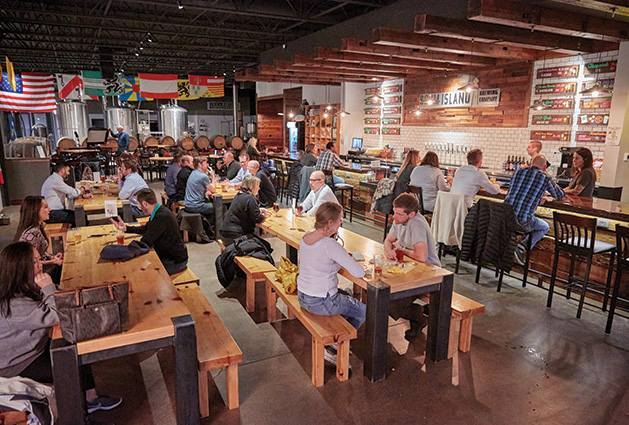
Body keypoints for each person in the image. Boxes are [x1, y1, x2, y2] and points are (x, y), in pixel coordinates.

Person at [0, 242, 122, 414]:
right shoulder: (12, 305)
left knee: (74, 347)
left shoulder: (25, 287)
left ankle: (91, 399)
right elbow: (56, 315)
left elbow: (58, 299)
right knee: (68, 366)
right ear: (20, 268)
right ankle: (77, 416)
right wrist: (48, 287)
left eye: (39, 260)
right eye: (35, 262)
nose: (40, 265)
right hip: (17, 363)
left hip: (34, 349)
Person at [297, 202, 366, 364]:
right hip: (322, 301)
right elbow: (358, 272)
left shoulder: (305, 237)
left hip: (303, 296)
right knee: (364, 310)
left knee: (347, 295)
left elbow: (322, 263)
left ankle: (336, 334)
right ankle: (335, 343)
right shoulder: (330, 244)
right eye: (339, 219)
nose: (341, 222)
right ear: (330, 223)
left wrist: (339, 259)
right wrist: (343, 258)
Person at [384, 193, 440, 340]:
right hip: (410, 269)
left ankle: (419, 316)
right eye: (394, 211)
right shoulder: (399, 220)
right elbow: (387, 240)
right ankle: (417, 314)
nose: (394, 217)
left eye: (398, 214)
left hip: (429, 273)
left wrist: (401, 250)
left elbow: (421, 257)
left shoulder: (416, 224)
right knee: (383, 294)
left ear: (412, 214)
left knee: (389, 302)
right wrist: (390, 251)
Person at [110, 189, 188, 275]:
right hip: (169, 256)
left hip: (174, 261)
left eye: (138, 203)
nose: (138, 207)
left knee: (138, 272)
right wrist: (126, 228)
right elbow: (146, 229)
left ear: (145, 204)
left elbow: (146, 240)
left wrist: (120, 251)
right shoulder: (159, 211)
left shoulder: (161, 217)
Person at [504, 155, 564, 264]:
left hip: (505, 216)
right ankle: (520, 248)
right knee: (544, 227)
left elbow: (516, 191)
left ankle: (508, 250)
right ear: (545, 167)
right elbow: (560, 195)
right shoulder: (545, 177)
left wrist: (538, 196)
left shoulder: (518, 171)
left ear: (530, 164)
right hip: (522, 221)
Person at [14, 196, 64, 284]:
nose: (50, 209)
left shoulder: (36, 228)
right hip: (35, 275)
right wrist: (53, 261)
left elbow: (40, 253)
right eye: (45, 207)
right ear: (35, 211)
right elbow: (31, 263)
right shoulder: (33, 233)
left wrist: (52, 257)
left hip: (40, 266)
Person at [219, 175, 269, 246]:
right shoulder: (250, 198)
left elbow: (242, 210)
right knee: (265, 246)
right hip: (235, 237)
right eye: (257, 186)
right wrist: (264, 215)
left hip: (225, 233)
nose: (259, 188)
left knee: (262, 244)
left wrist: (258, 210)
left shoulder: (239, 194)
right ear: (252, 186)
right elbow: (258, 219)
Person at [41, 161, 92, 226]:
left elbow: (68, 195)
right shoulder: (55, 180)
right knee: (79, 218)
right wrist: (84, 188)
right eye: (68, 171)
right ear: (62, 171)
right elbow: (73, 192)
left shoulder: (55, 179)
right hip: (51, 213)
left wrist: (82, 196)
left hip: (54, 211)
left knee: (81, 216)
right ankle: (75, 235)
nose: (68, 173)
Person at [184, 157, 216, 222]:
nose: (208, 165)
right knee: (219, 207)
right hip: (196, 206)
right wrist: (213, 176)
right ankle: (212, 229)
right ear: (200, 165)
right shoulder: (203, 176)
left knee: (211, 203)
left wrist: (206, 190)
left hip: (188, 204)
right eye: (206, 163)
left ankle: (207, 225)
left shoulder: (193, 173)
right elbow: (213, 190)